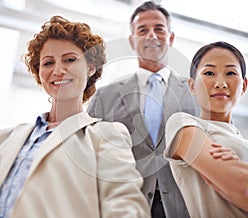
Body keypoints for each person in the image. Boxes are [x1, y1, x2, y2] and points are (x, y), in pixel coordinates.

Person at [0, 15, 150, 218]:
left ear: (90, 68)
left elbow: (125, 207)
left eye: (70, 60)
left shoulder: (105, 135)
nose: (58, 70)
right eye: (48, 63)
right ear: (39, 73)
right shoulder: (3, 138)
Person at [88, 1, 198, 217]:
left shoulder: (197, 92)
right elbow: (88, 153)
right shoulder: (105, 96)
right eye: (142, 30)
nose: (151, 36)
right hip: (124, 206)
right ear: (132, 40)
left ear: (171, 37)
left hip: (184, 207)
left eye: (159, 29)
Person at [164, 41, 248, 217]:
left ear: (243, 85)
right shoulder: (183, 124)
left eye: (230, 73)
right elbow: (243, 185)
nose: (220, 83)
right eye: (209, 73)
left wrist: (245, 175)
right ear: (192, 85)